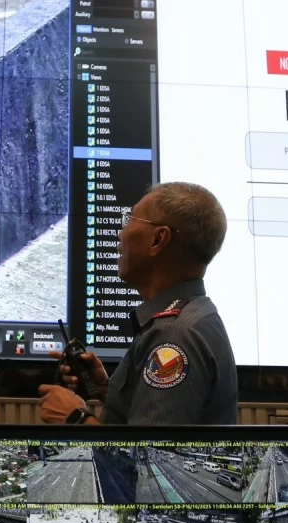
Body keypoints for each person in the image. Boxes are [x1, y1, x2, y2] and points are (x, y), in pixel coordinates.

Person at [38, 182, 238, 425]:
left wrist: (75, 418)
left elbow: (147, 459)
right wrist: (111, 391)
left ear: (158, 239)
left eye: (130, 220)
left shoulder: (174, 335)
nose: (121, 233)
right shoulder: (194, 316)